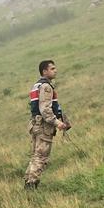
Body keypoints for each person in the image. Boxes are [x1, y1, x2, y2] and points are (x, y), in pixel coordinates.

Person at [24, 60, 70, 189]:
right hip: (44, 126)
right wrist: (57, 122)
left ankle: (28, 182)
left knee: (35, 156)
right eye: (52, 68)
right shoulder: (46, 87)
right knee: (41, 157)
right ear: (44, 71)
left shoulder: (36, 85)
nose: (55, 70)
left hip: (35, 124)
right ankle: (31, 185)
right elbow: (45, 109)